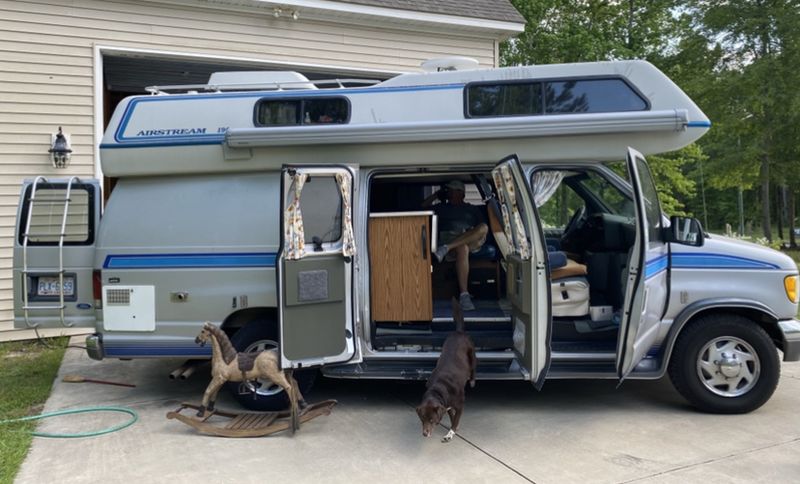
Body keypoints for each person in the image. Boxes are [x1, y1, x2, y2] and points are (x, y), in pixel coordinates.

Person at [422, 180, 488, 311]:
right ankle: (464, 296)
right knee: (462, 248)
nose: (451, 194)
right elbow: (421, 208)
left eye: (454, 191)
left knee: (483, 227)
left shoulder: (472, 208)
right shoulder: (441, 208)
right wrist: (436, 195)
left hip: (470, 239)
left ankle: (446, 248)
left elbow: (482, 229)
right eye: (449, 192)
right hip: (451, 239)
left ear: (462, 194)